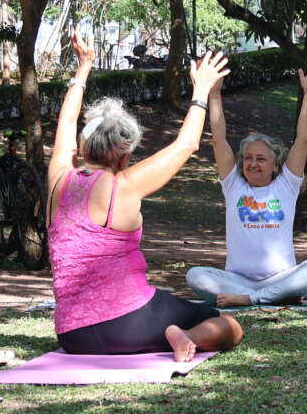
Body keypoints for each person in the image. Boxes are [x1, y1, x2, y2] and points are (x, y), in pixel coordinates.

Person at [47, 28, 243, 362]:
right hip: (132, 321)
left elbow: (65, 124)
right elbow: (186, 145)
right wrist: (200, 91)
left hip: (73, 335)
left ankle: (174, 332)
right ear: (124, 155)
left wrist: (83, 68)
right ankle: (184, 336)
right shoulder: (124, 185)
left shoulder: (58, 181)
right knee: (229, 326)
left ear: (83, 146)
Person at [185, 60, 307, 307]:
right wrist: (214, 94)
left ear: (275, 164)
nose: (253, 163)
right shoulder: (233, 185)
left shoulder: (287, 184)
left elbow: (303, 140)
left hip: (281, 277)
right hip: (237, 281)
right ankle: (273, 295)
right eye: (249, 158)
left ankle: (253, 299)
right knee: (195, 276)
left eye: (261, 159)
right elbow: (219, 140)